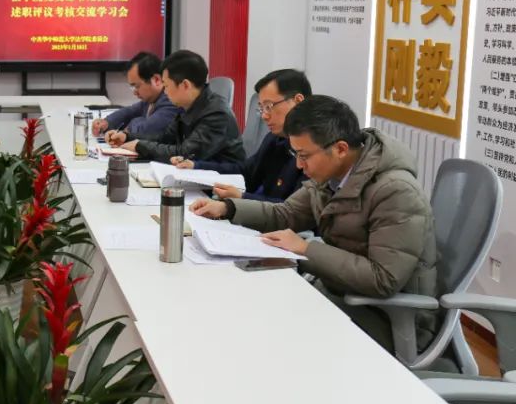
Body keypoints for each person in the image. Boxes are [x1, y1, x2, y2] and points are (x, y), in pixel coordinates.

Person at [190, 96, 439, 352]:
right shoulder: (331, 176)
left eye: (304, 156)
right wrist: (228, 208)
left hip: (390, 321)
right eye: (295, 154)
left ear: (340, 149)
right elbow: (286, 213)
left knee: (271, 333)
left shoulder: (396, 192)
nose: (299, 165)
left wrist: (305, 249)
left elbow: (383, 279)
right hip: (341, 294)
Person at [174, 69, 310, 202]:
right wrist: (195, 166)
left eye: (269, 106)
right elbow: (246, 172)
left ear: (298, 101)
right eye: (261, 108)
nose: (264, 116)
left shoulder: (313, 149)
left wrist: (242, 198)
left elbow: (292, 210)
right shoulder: (275, 139)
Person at [107, 49, 245, 168]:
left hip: (221, 182)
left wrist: (140, 146)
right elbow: (164, 137)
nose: (165, 92)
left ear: (185, 85)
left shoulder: (216, 114)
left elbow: (185, 153)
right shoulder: (188, 106)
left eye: (166, 86)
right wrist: (128, 137)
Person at [93, 53, 181, 138]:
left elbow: (146, 131)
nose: (135, 92)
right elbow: (130, 111)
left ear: (156, 80)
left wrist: (130, 127)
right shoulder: (151, 99)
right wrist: (107, 122)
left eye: (137, 86)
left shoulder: (171, 101)